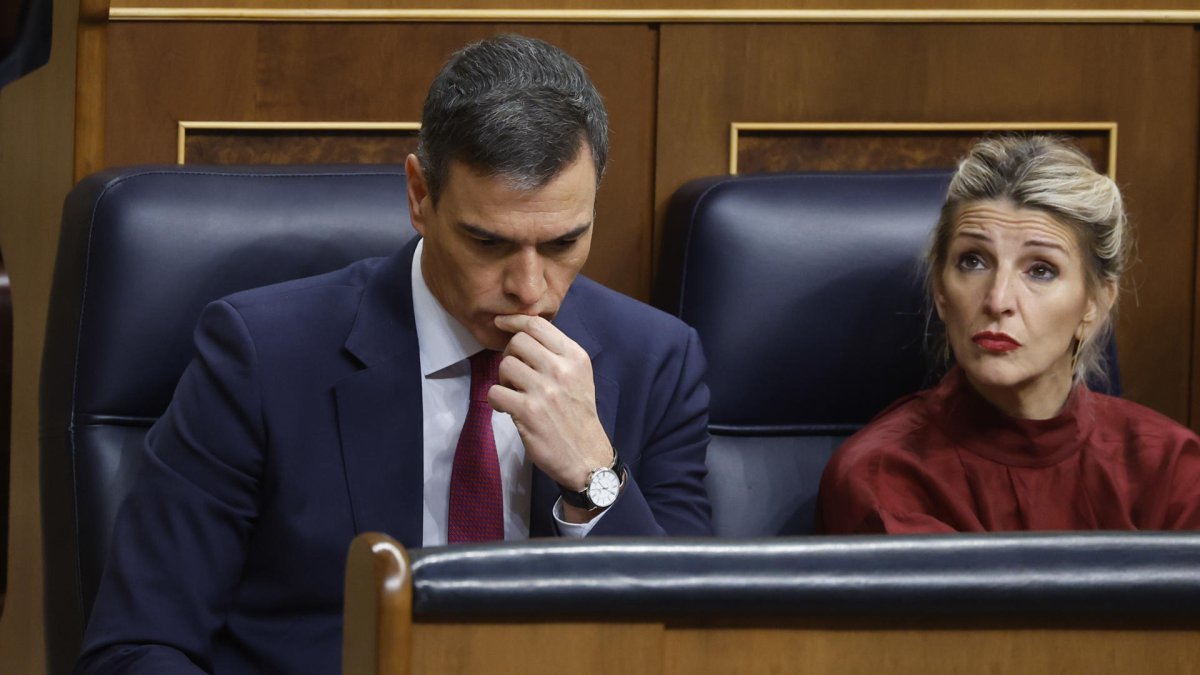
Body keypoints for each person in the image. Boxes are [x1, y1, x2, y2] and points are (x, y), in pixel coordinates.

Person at [77, 34, 712, 674]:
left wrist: (595, 479)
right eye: (487, 243)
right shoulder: (263, 357)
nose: (528, 286)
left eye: (562, 242)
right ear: (419, 196)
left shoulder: (656, 360)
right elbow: (136, 648)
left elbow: (699, 646)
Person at [817, 134, 1200, 534]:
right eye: (973, 261)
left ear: (1095, 305)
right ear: (941, 292)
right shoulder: (881, 478)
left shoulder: (1171, 466)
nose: (998, 300)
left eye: (1040, 270)